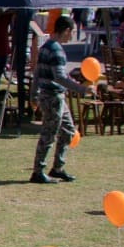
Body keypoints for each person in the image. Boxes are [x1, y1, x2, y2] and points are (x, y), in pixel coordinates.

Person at [30, 16, 91, 184]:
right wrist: (81, 89)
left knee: (68, 131)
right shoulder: (56, 50)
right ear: (65, 30)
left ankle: (57, 167)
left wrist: (33, 94)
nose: (70, 37)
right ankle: (38, 171)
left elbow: (38, 73)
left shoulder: (45, 48)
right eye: (70, 33)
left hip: (53, 96)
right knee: (48, 134)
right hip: (52, 96)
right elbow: (59, 77)